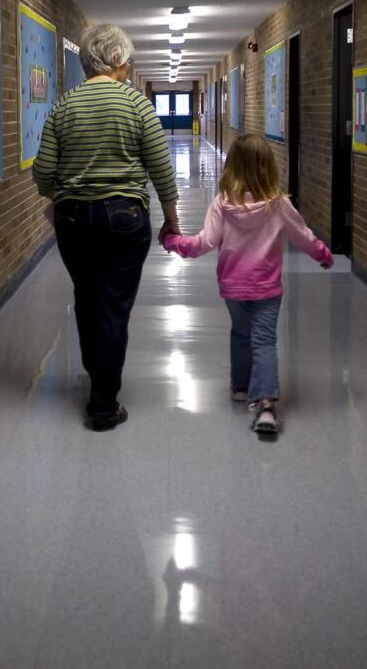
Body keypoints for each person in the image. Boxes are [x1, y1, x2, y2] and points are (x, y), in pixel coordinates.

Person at [33, 24, 179, 431]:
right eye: (129, 62)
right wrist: (172, 220)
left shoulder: (63, 106)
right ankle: (103, 403)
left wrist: (62, 190)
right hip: (124, 219)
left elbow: (44, 174)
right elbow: (161, 171)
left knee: (87, 296)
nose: (130, 69)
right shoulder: (137, 104)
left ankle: (96, 370)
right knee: (113, 306)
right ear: (117, 61)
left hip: (73, 220)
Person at [161, 134, 333, 434]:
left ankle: (241, 386)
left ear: (231, 167)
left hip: (232, 287)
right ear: (268, 167)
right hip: (266, 287)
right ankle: (265, 404)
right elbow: (302, 235)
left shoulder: (222, 204)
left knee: (240, 333)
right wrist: (322, 253)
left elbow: (204, 242)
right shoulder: (279, 205)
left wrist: (175, 242)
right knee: (264, 340)